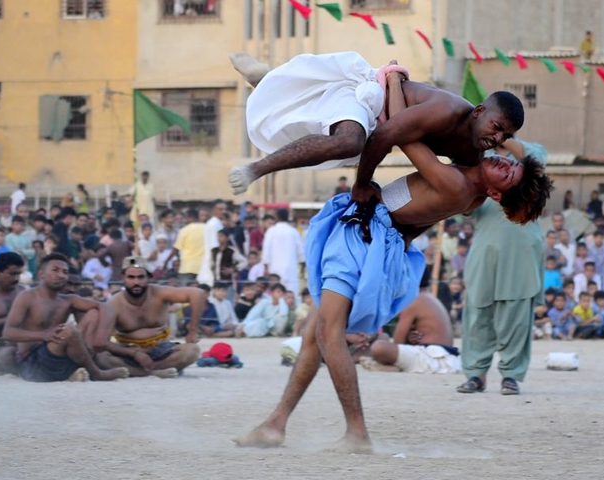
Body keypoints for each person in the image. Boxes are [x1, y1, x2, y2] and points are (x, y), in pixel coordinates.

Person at [235, 129, 551, 451]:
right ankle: (276, 424)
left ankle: (356, 434)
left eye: (509, 172)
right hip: (371, 236)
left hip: (366, 241)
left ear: (498, 195)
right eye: (508, 163)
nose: (503, 162)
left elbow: (405, 136)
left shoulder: (459, 185)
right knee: (313, 336)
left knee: (327, 334)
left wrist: (394, 84)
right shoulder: (469, 182)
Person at [228, 52, 524, 194]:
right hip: (368, 95)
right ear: (479, 111)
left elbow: (460, 191)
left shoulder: (474, 155)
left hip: (381, 121)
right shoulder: (446, 110)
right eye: (496, 127)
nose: (498, 138)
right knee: (348, 141)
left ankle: (267, 80)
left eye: (505, 136)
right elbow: (385, 135)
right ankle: (255, 169)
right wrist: (361, 185)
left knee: (318, 131)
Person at [455, 138, 547, 397]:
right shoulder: (479, 159)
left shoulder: (527, 158)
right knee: (477, 313)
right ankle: (475, 375)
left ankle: (511, 376)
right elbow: (461, 203)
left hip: (522, 249)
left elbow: (536, 159)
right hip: (485, 248)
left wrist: (503, 138)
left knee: (517, 317)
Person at [2, 253, 129, 382]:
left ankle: (75, 370)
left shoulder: (68, 300)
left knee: (93, 313)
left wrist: (101, 336)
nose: (61, 275)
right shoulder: (27, 296)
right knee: (67, 331)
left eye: (65, 272)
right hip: (35, 361)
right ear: (41, 274)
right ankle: (96, 373)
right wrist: (44, 335)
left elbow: (105, 307)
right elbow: (8, 332)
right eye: (55, 270)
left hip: (60, 354)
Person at [95, 257, 202, 377]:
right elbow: (103, 342)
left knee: (192, 351)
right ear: (123, 278)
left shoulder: (159, 293)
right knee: (101, 357)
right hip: (128, 350)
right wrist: (134, 353)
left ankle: (141, 371)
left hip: (160, 348)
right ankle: (153, 372)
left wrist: (192, 330)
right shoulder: (113, 303)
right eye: (131, 277)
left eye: (141, 277)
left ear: (148, 278)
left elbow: (197, 294)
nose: (136, 282)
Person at [364, 273, 460, 374]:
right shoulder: (428, 297)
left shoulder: (414, 300)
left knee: (379, 347)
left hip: (432, 360)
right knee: (384, 338)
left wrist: (405, 341)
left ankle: (391, 366)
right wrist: (410, 340)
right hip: (446, 359)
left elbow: (398, 342)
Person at [262, 209, 305, 295]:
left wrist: (265, 267)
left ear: (277, 217)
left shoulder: (271, 231)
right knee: (291, 293)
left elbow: (266, 250)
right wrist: (302, 267)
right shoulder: (293, 231)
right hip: (291, 268)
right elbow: (301, 252)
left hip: (274, 267)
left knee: (276, 293)